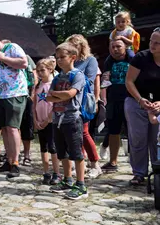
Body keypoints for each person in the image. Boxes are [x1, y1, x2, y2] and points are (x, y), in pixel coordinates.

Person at [0, 33, 28, 178]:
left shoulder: (12, 47)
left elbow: (23, 63)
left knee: (13, 128)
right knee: (4, 128)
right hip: (0, 95)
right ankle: (8, 160)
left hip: (15, 93)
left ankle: (15, 163)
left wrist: (4, 59)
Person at [47, 43, 88, 200]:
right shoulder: (57, 77)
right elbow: (48, 97)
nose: (59, 60)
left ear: (73, 57)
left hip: (72, 119)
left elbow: (70, 94)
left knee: (76, 153)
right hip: (57, 120)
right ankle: (67, 180)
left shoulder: (78, 75)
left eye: (62, 57)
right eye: (57, 57)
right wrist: (59, 95)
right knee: (62, 151)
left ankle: (81, 184)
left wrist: (57, 94)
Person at [124, 28, 160, 186]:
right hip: (137, 101)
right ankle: (139, 173)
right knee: (138, 138)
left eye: (157, 43)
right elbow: (129, 81)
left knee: (157, 139)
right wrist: (140, 99)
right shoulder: (141, 57)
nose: (153, 45)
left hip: (158, 105)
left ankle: (157, 172)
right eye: (152, 40)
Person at [66, 34, 101, 179]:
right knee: (75, 133)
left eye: (73, 46)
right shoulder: (70, 61)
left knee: (84, 132)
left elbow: (90, 80)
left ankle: (95, 164)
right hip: (70, 100)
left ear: (81, 46)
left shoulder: (90, 60)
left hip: (84, 100)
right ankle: (82, 164)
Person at [101, 39, 132, 172]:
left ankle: (136, 164)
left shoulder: (132, 59)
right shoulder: (108, 61)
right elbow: (105, 81)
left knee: (133, 132)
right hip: (113, 100)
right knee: (113, 131)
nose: (115, 49)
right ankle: (113, 162)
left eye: (118, 46)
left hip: (130, 99)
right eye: (112, 47)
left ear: (125, 47)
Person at [33, 58, 59, 185]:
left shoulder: (53, 85)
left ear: (50, 70)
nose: (40, 73)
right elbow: (34, 103)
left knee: (53, 147)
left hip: (50, 121)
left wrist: (48, 119)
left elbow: (55, 104)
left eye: (42, 70)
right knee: (43, 147)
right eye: (38, 71)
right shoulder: (38, 86)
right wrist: (35, 119)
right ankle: (46, 172)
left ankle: (56, 173)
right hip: (39, 120)